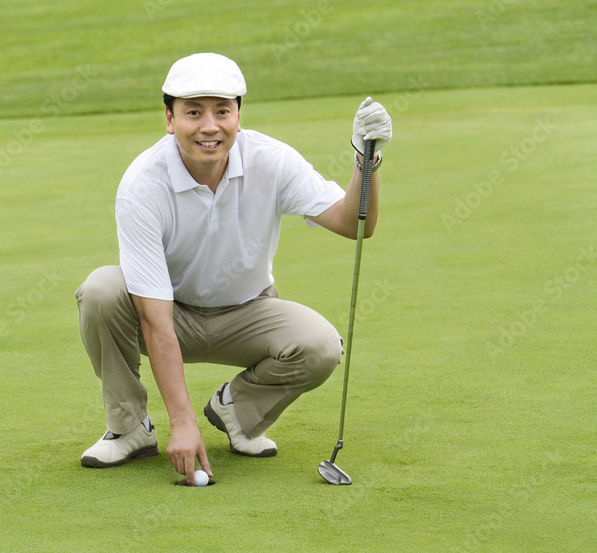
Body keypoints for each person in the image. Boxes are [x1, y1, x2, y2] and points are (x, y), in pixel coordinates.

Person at [76, 52, 391, 483]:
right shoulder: (142, 185)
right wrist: (181, 422)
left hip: (248, 312)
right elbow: (154, 319)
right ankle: (129, 427)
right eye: (193, 113)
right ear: (170, 120)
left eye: (222, 111)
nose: (210, 126)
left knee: (321, 345)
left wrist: (365, 164)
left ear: (238, 115)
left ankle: (238, 413)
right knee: (101, 290)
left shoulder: (272, 160)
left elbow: (353, 224)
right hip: (172, 314)